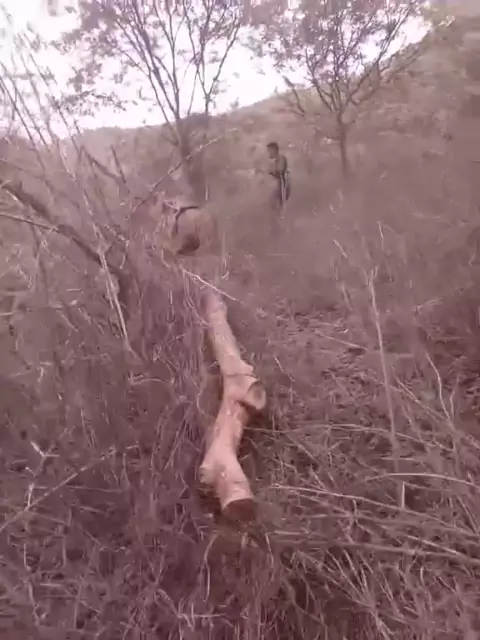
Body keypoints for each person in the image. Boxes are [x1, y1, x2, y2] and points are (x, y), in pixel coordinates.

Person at [266, 141, 291, 214]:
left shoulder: (281, 158)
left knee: (280, 205)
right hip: (280, 185)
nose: (268, 153)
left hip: (284, 185)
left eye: (269, 151)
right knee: (273, 202)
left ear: (274, 150)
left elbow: (280, 170)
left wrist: (271, 171)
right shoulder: (275, 161)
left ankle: (282, 217)